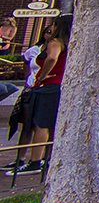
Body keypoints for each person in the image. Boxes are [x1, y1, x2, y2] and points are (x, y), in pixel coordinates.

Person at [20, 18, 68, 174]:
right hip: (61, 85)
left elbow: (52, 58)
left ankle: (35, 161)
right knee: (54, 124)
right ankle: (50, 159)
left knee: (41, 123)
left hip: (49, 86)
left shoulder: (56, 42)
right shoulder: (70, 43)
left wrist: (42, 76)